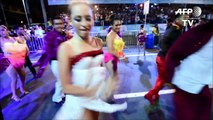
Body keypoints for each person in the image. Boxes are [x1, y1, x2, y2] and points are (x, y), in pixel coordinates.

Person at [54, 1, 127, 119]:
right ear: (71, 21)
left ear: (93, 19)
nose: (84, 24)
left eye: (88, 18)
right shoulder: (65, 48)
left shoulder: (98, 42)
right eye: (78, 19)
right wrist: (97, 92)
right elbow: (66, 87)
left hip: (95, 101)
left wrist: (112, 79)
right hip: (80, 103)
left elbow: (101, 65)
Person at [165, 20, 213, 120]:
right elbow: (173, 54)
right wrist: (169, 77)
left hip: (203, 87)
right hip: (185, 87)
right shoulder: (200, 32)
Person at [144, 15, 186, 104]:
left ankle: (155, 94)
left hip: (160, 57)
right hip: (165, 59)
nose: (185, 21)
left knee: (160, 78)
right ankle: (150, 94)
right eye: (183, 19)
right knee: (164, 80)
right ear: (177, 20)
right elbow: (177, 48)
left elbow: (161, 43)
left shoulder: (169, 29)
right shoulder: (176, 32)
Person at [0, 25, 28, 102]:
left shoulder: (14, 38)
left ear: (7, 30)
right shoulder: (0, 40)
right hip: (9, 62)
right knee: (14, 78)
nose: (2, 32)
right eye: (0, 31)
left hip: (18, 60)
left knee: (23, 76)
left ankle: (22, 89)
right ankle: (14, 95)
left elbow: (24, 44)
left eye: (3, 30)